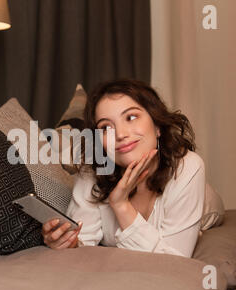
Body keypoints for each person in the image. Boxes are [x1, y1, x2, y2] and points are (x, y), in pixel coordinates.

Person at [41, 79, 205, 258]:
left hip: (205, 205)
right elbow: (84, 240)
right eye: (106, 127)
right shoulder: (93, 169)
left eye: (131, 117)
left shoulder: (187, 168)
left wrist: (120, 205)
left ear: (157, 126)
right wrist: (67, 243)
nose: (120, 134)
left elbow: (175, 261)